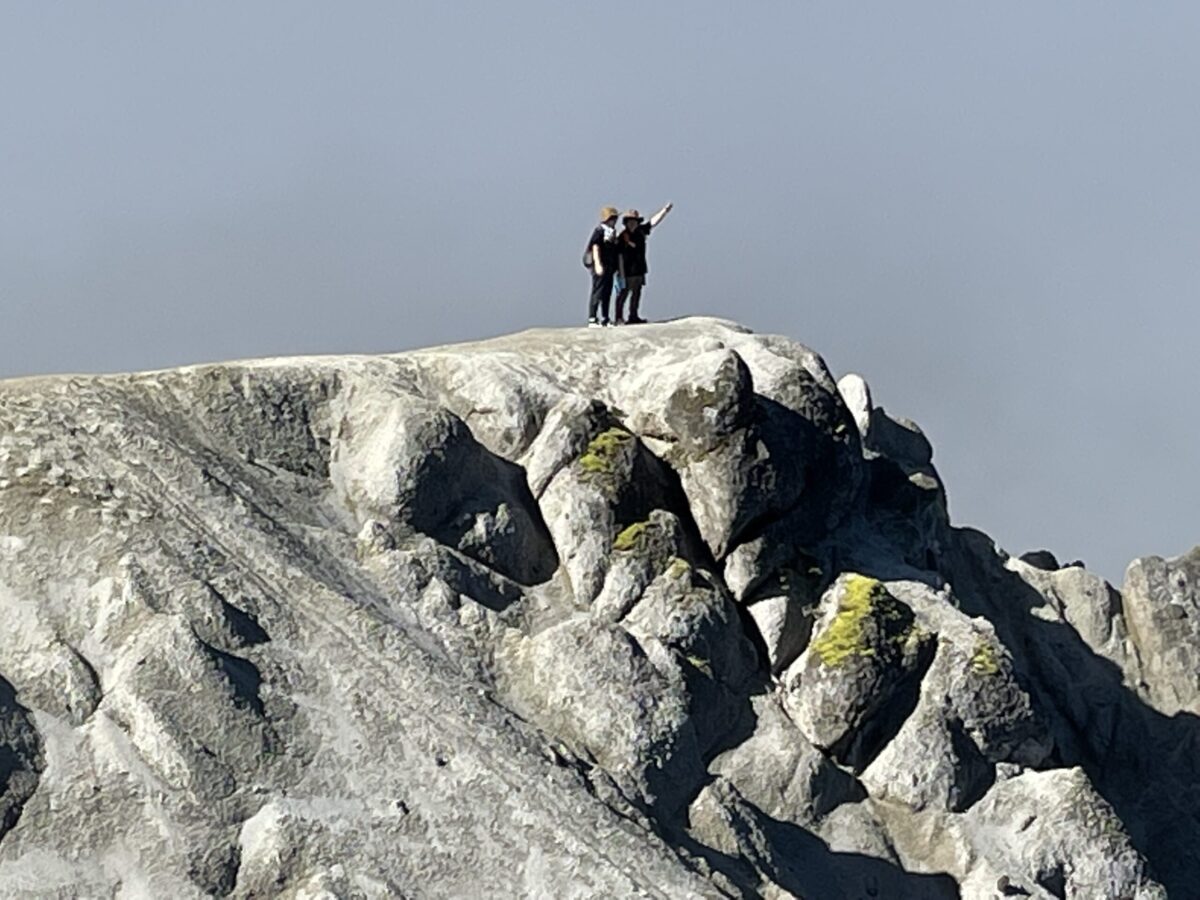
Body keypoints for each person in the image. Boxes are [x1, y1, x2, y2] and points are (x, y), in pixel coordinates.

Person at [615, 202, 673, 325]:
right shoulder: (622, 236)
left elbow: (653, 222)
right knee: (623, 295)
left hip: (639, 269)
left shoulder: (641, 232)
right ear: (626, 223)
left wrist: (665, 211)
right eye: (630, 221)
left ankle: (633, 316)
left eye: (635, 221)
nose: (632, 223)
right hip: (626, 271)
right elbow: (618, 255)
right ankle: (618, 317)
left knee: (637, 294)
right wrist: (620, 272)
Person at [585, 206, 621, 327]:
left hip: (609, 266)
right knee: (598, 291)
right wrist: (598, 265)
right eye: (613, 218)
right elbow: (595, 247)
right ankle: (592, 318)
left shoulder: (612, 232)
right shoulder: (600, 231)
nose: (614, 221)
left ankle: (605, 318)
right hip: (600, 265)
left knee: (607, 292)